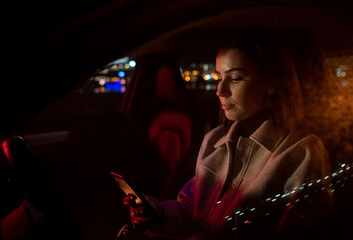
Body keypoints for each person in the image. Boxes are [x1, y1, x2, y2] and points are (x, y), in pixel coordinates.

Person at [121, 28, 335, 240]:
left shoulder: (301, 154)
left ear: (270, 82)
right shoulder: (213, 140)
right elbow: (190, 209)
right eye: (219, 77)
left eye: (236, 78)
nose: (220, 90)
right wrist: (158, 214)